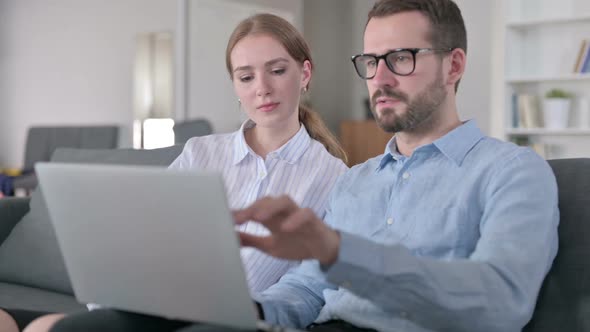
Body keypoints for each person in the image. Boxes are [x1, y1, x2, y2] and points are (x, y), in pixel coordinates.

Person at [43, 0, 559, 331]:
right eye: (371, 62)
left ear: (455, 65)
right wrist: (250, 312)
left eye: (401, 57)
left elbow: (500, 300)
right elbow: (308, 287)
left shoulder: (513, 172)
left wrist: (340, 252)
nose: (380, 77)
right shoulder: (356, 184)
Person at [0, 12, 348, 332]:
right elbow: (148, 237)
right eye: (246, 76)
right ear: (235, 87)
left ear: (304, 73)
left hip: (221, 322)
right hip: (151, 303)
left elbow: (310, 284)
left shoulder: (332, 177)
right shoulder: (201, 152)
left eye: (276, 70)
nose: (262, 88)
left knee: (44, 329)